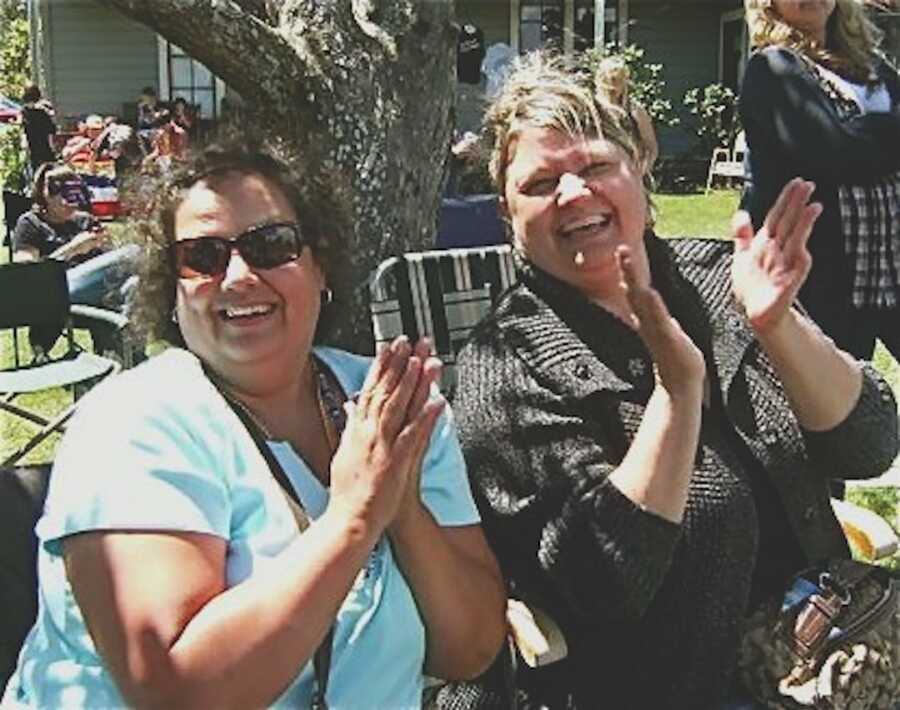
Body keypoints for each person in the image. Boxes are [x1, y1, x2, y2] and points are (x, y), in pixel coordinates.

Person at [435, 52, 899, 709]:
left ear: (637, 172)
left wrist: (779, 329)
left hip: (833, 651)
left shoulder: (717, 276)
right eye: (540, 184)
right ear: (509, 218)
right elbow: (604, 584)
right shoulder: (506, 365)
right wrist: (676, 396)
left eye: (596, 166)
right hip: (671, 685)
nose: (574, 193)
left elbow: (870, 445)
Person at [2, 137, 507, 708]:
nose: (239, 277)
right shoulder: (135, 426)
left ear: (321, 267)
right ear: (173, 290)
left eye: (273, 246)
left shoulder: (391, 403)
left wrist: (406, 508)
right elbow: (177, 693)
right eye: (203, 256)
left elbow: (470, 649)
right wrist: (354, 518)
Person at [740, 0, 900, 362]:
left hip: (890, 261)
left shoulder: (874, 66)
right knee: (838, 404)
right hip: (822, 276)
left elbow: (848, 143)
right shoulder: (772, 69)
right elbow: (833, 150)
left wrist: (861, 135)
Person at [11, 162, 134, 356]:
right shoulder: (30, 224)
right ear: (45, 193)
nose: (68, 202)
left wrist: (105, 245)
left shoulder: (85, 221)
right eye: (61, 193)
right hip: (54, 294)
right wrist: (72, 249)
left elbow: (109, 267)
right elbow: (27, 277)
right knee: (132, 253)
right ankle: (124, 357)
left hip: (95, 295)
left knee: (133, 285)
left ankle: (122, 357)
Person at [595, 55, 658, 174]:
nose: (613, 87)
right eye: (610, 80)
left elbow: (651, 147)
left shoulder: (634, 110)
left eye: (618, 81)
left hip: (630, 171)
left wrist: (642, 171)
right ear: (600, 80)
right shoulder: (591, 108)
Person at [20, 85, 56, 172]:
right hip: (38, 145)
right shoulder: (29, 111)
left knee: (41, 169)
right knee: (42, 169)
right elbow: (51, 130)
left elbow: (50, 130)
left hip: (38, 145)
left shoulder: (28, 111)